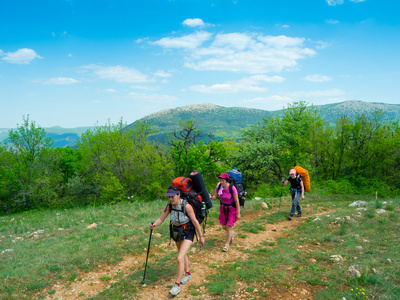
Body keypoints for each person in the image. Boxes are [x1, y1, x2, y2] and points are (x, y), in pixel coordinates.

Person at [150, 185, 205, 296]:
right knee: (182, 254)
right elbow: (161, 218)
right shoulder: (169, 206)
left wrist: (201, 235)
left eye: (172, 197)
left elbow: (194, 221)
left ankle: (176, 285)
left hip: (188, 232)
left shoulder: (187, 206)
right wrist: (154, 224)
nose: (170, 199)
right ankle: (187, 274)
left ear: (178, 195)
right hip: (176, 232)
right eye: (169, 197)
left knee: (179, 258)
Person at [210, 173, 241, 252]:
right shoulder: (219, 186)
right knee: (224, 226)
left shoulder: (232, 188)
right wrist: (210, 197)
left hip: (231, 208)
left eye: (223, 181)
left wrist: (238, 213)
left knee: (228, 225)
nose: (221, 182)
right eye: (220, 180)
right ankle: (231, 234)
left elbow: (237, 201)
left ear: (227, 181)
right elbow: (215, 197)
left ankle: (226, 245)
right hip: (223, 208)